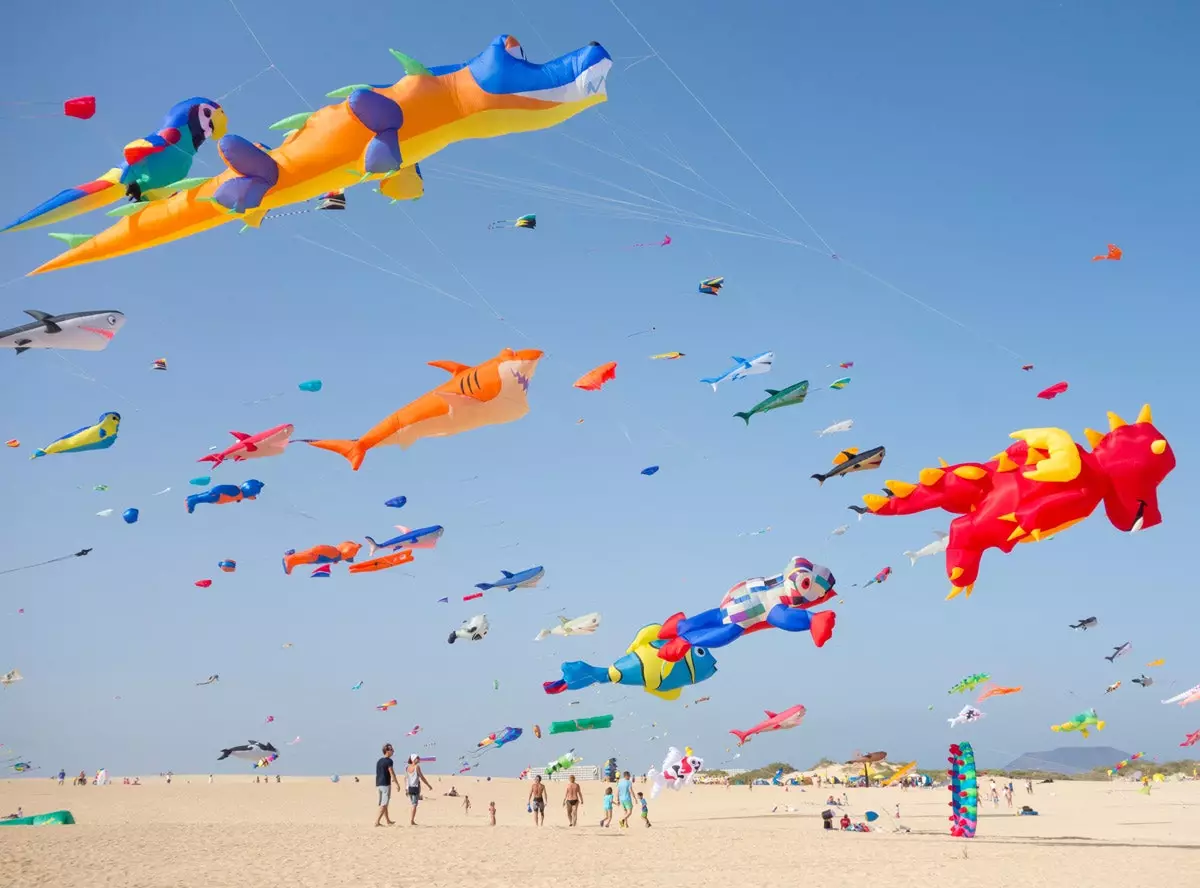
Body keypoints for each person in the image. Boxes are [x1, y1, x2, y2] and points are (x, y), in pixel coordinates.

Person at [375, 743, 400, 827]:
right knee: (384, 804)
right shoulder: (389, 761)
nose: (393, 751)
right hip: (385, 784)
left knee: (384, 803)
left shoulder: (379, 761)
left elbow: (378, 773)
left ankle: (388, 821)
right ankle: (377, 822)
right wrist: (397, 783)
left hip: (379, 784)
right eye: (392, 750)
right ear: (387, 751)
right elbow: (391, 772)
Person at [405, 753, 433, 825]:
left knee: (413, 803)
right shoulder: (417, 767)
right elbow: (422, 777)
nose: (419, 759)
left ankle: (412, 819)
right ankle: (412, 820)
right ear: (413, 759)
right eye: (417, 758)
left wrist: (406, 788)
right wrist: (428, 785)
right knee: (414, 804)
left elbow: (406, 779)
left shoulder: (407, 767)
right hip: (415, 787)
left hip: (410, 788)